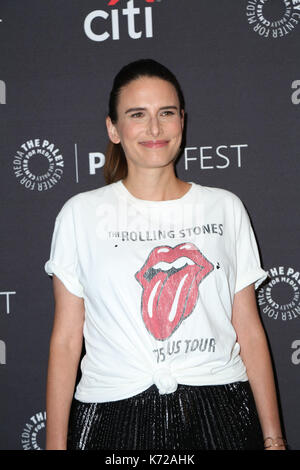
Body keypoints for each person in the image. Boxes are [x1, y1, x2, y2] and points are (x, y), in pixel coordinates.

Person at [44, 59, 286, 450]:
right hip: (112, 413)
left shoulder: (224, 207)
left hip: (221, 410)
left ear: (182, 121)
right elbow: (67, 339)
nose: (154, 128)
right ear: (113, 128)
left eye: (166, 113)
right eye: (137, 114)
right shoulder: (80, 215)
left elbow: (249, 329)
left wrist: (273, 439)